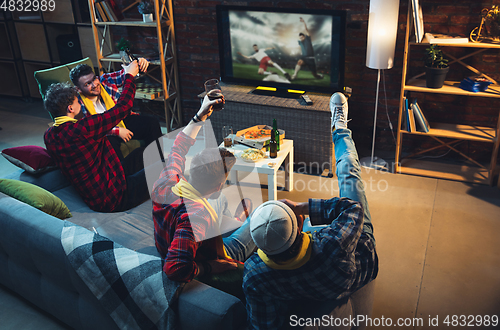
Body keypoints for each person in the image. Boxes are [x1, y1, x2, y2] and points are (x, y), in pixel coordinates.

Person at [242, 92, 379, 329]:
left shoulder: (254, 275)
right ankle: (340, 127)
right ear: (299, 222)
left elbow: (264, 324)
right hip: (360, 264)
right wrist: (300, 206)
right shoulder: (332, 242)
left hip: (306, 273)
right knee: (348, 171)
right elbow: (352, 209)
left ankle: (339, 127)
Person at [151, 95, 256, 284]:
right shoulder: (196, 217)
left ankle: (232, 222)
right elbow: (173, 268)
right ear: (218, 186)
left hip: (165, 241)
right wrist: (209, 267)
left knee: (220, 200)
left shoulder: (167, 180)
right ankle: (241, 221)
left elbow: (178, 147)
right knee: (257, 221)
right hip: (208, 255)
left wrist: (200, 115)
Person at [44, 61, 151, 212]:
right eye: (77, 102)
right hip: (117, 197)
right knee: (164, 164)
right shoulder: (83, 128)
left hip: (102, 188)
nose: (80, 105)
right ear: (71, 108)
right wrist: (129, 76)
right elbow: (124, 106)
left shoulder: (48, 136)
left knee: (143, 154)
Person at [69, 61, 162, 160]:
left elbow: (127, 73)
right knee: (109, 144)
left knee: (152, 123)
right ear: (78, 89)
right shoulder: (77, 103)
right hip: (103, 131)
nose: (95, 84)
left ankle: (157, 164)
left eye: (94, 79)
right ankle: (123, 173)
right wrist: (116, 131)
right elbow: (91, 129)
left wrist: (139, 62)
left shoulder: (104, 80)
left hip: (121, 119)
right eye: (88, 84)